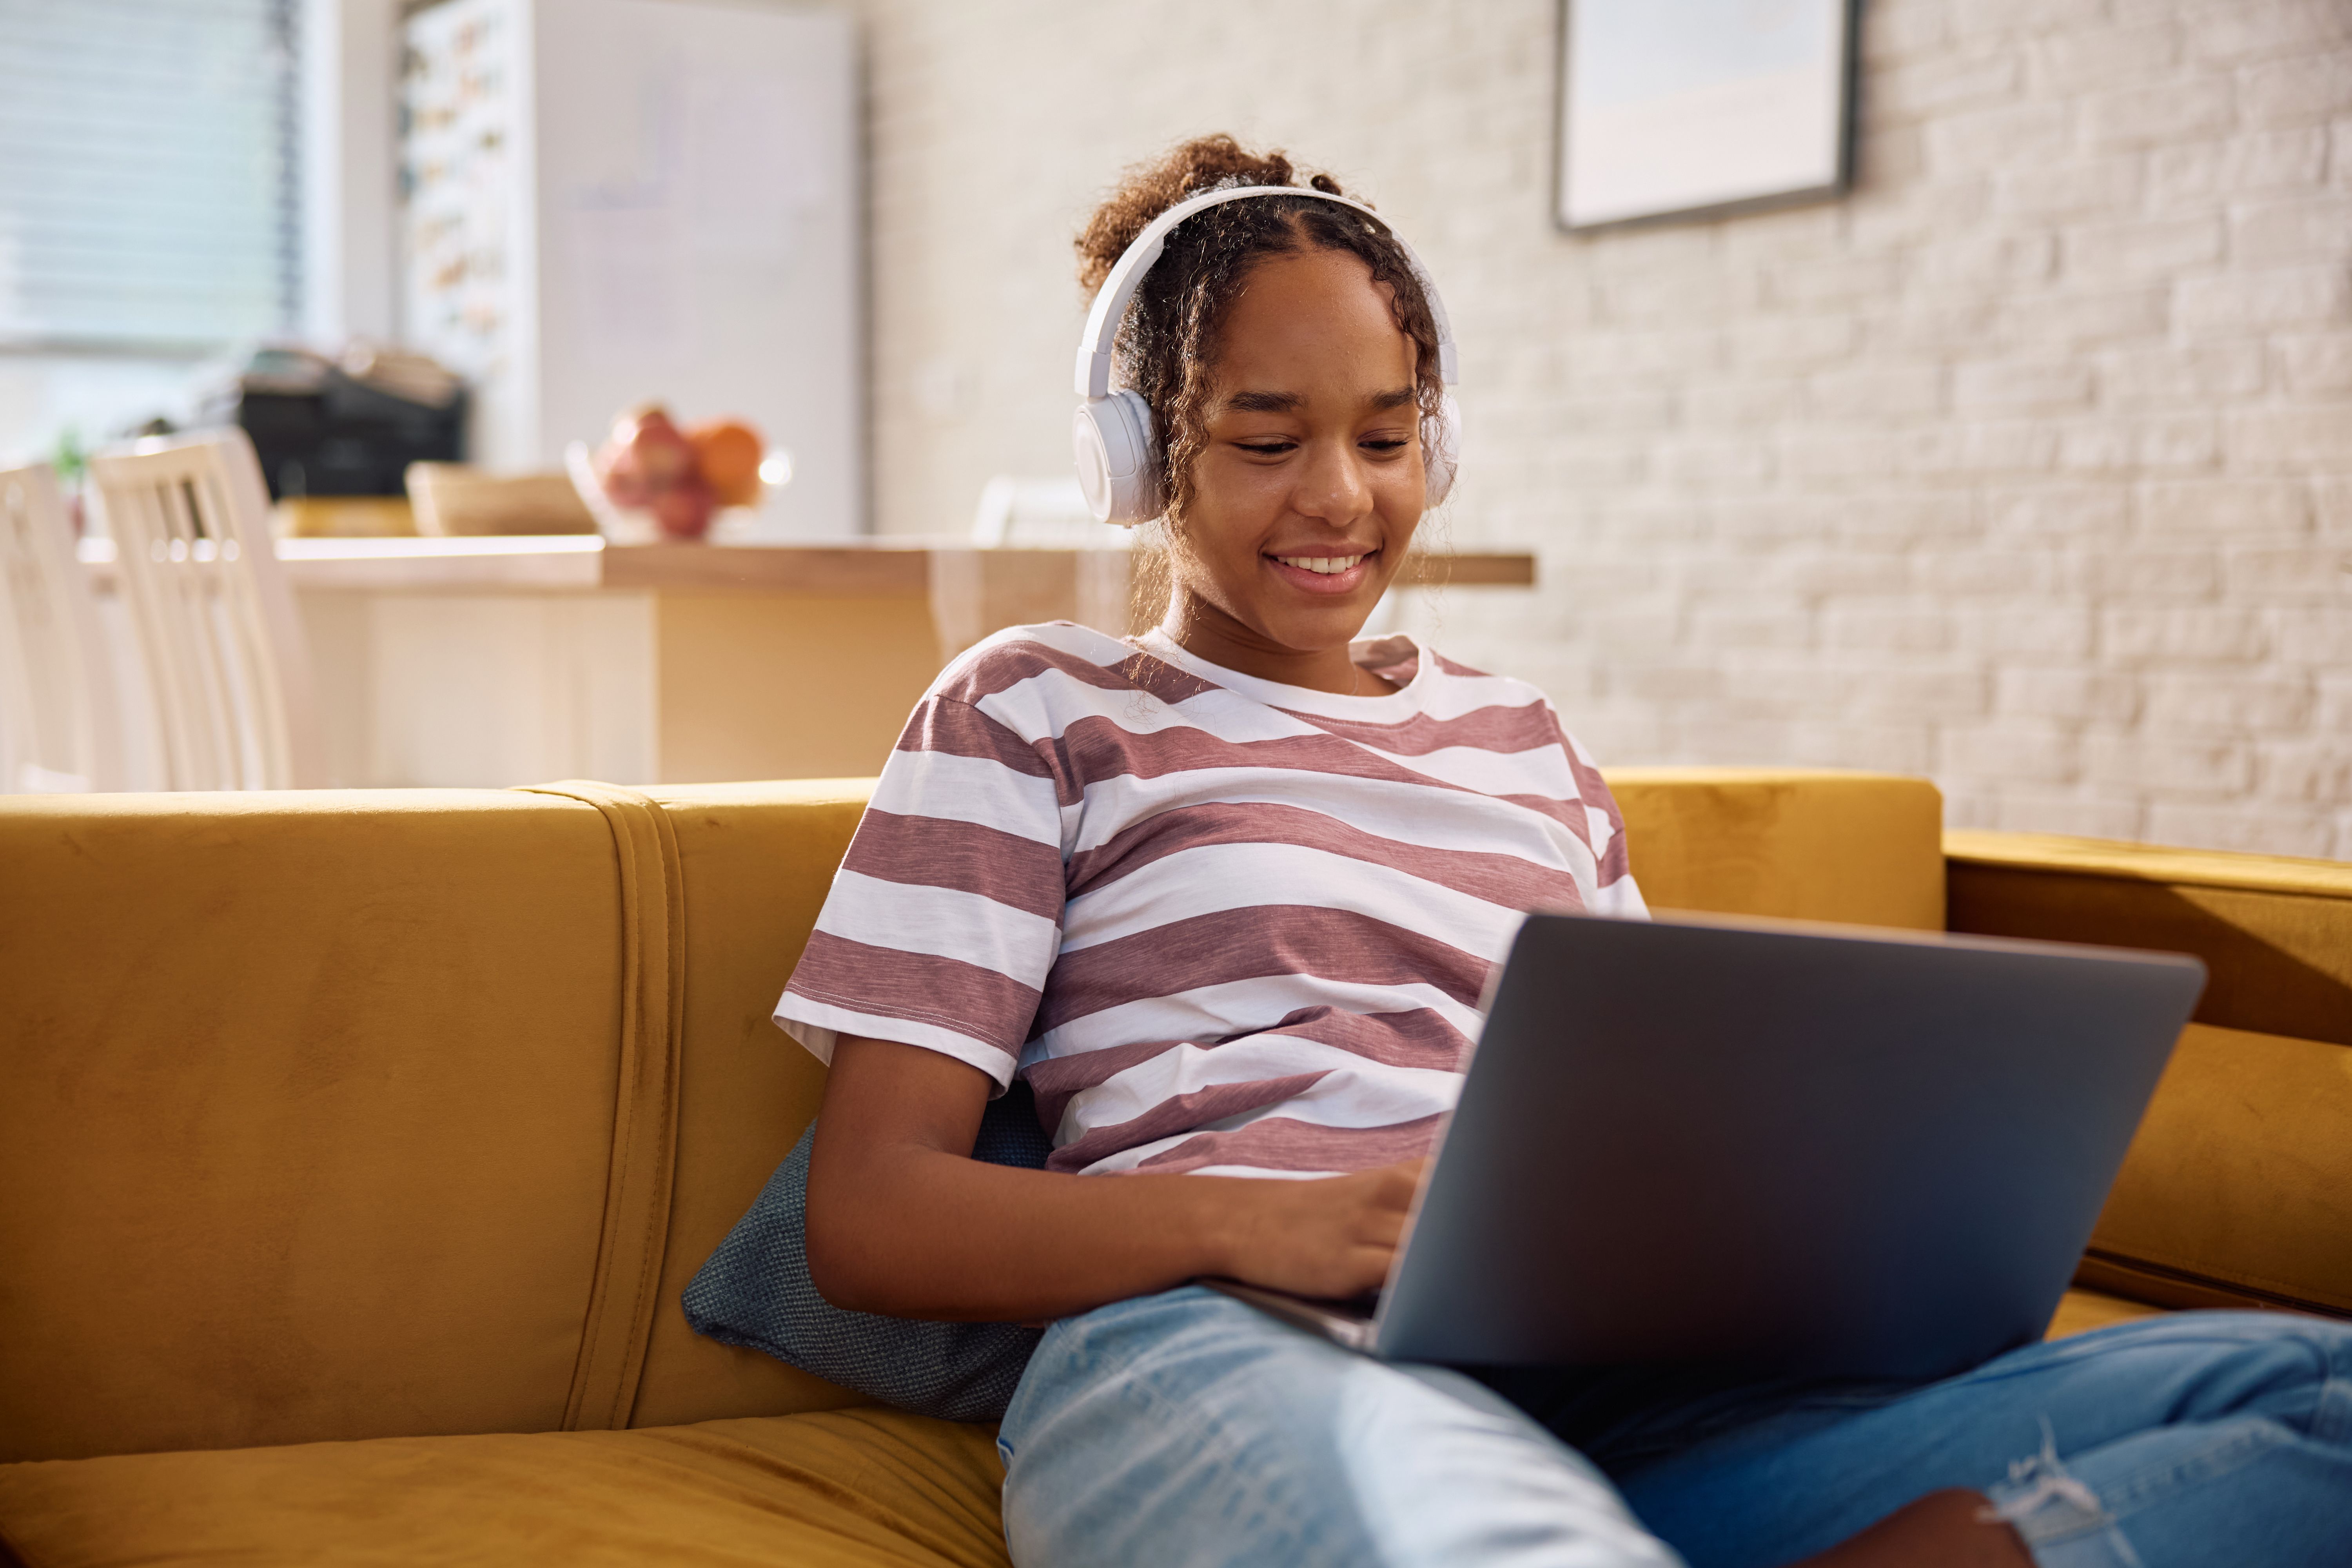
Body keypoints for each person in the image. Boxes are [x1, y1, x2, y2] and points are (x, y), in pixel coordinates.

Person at [783, 135, 2352, 1568]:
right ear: (1133, 456)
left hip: (1624, 1384)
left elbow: (1648, 1109)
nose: (1341, 495)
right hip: (1225, 1333)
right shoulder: (1037, 710)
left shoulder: (1523, 734)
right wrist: (1255, 1216)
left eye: (1387, 436)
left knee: (2318, 1393)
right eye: (1267, 441)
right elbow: (870, 1214)